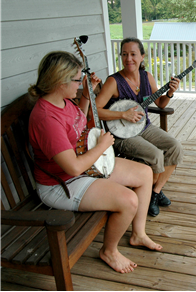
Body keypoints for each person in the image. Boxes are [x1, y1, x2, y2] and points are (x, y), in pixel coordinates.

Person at [28, 51, 162, 275]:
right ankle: (109, 251)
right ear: (60, 81)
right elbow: (73, 167)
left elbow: (77, 122)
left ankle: (138, 234)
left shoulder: (63, 101)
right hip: (62, 184)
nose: (80, 83)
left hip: (83, 164)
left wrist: (86, 98)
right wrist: (102, 145)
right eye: (77, 80)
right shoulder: (46, 119)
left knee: (145, 173)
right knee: (128, 200)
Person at [95, 37, 183, 217]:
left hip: (144, 128)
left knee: (175, 147)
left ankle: (155, 192)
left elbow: (161, 104)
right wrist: (122, 114)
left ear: (142, 56)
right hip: (122, 135)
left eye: (133, 54)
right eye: (125, 54)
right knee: (156, 155)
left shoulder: (146, 77)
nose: (129, 59)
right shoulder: (114, 82)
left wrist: (170, 93)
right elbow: (94, 111)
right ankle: (151, 194)